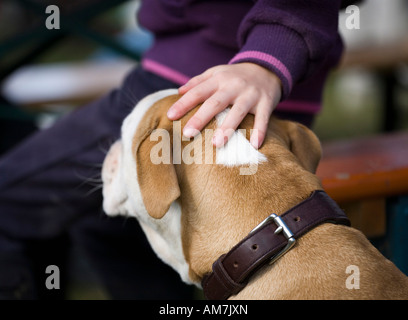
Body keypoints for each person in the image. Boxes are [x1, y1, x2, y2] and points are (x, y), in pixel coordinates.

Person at [0, 0, 345, 299]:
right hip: (280, 86)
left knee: (9, 199)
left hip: (194, 94)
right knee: (103, 219)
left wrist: (265, 61)